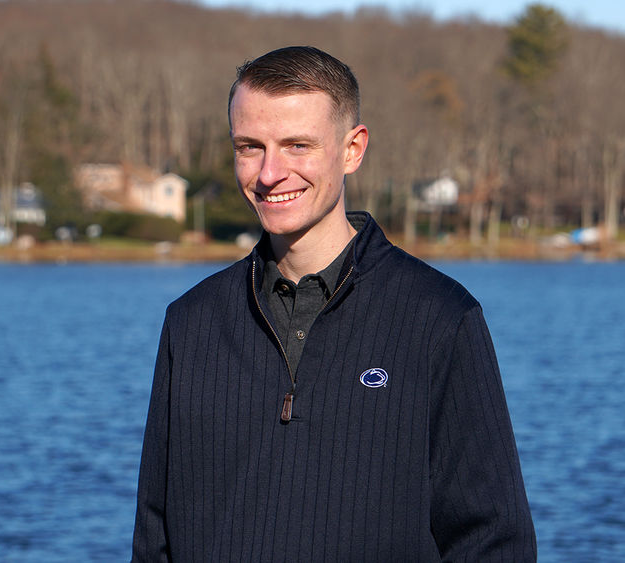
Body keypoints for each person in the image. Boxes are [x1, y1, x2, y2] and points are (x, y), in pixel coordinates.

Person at [132, 46, 536, 562]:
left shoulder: (439, 317)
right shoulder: (191, 323)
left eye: (298, 145)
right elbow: (154, 540)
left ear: (352, 149)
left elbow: (493, 541)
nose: (270, 172)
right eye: (250, 146)